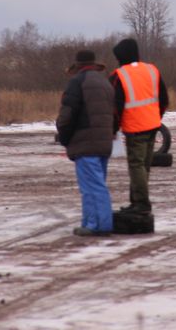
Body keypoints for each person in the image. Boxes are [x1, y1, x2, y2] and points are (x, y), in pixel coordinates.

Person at [56, 50, 116, 237]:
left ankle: (98, 225)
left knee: (92, 186)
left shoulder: (77, 83)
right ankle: (90, 222)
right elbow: (115, 114)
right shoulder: (105, 83)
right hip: (104, 143)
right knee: (96, 183)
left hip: (85, 143)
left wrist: (64, 137)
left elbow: (67, 115)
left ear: (78, 66)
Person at [109, 38, 169, 214]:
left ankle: (141, 204)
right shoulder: (152, 70)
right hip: (153, 126)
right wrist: (155, 117)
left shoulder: (119, 75)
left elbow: (115, 108)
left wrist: (113, 130)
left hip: (135, 128)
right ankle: (136, 201)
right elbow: (164, 100)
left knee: (136, 166)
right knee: (144, 166)